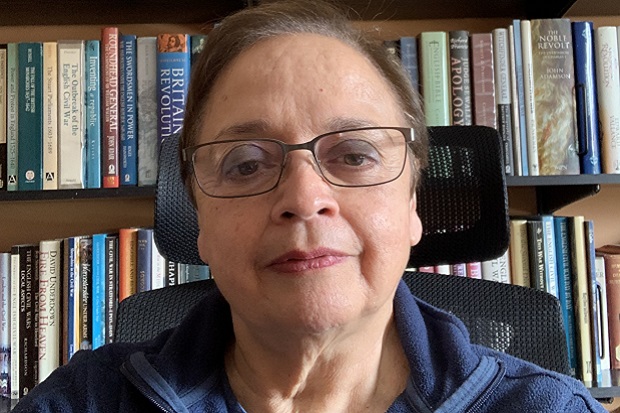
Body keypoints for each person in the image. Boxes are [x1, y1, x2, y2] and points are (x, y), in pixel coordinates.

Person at [13, 1, 607, 412]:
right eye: (246, 163)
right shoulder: (82, 402)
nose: (303, 199)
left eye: (353, 155)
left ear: (412, 205)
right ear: (199, 219)